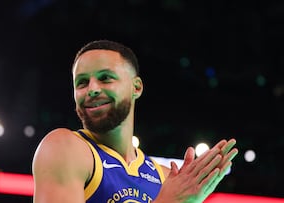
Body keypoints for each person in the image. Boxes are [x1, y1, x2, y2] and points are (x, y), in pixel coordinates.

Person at [32, 39, 238, 203]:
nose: (92, 89)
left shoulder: (169, 180)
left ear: (136, 87)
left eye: (105, 78)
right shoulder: (63, 147)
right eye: (82, 82)